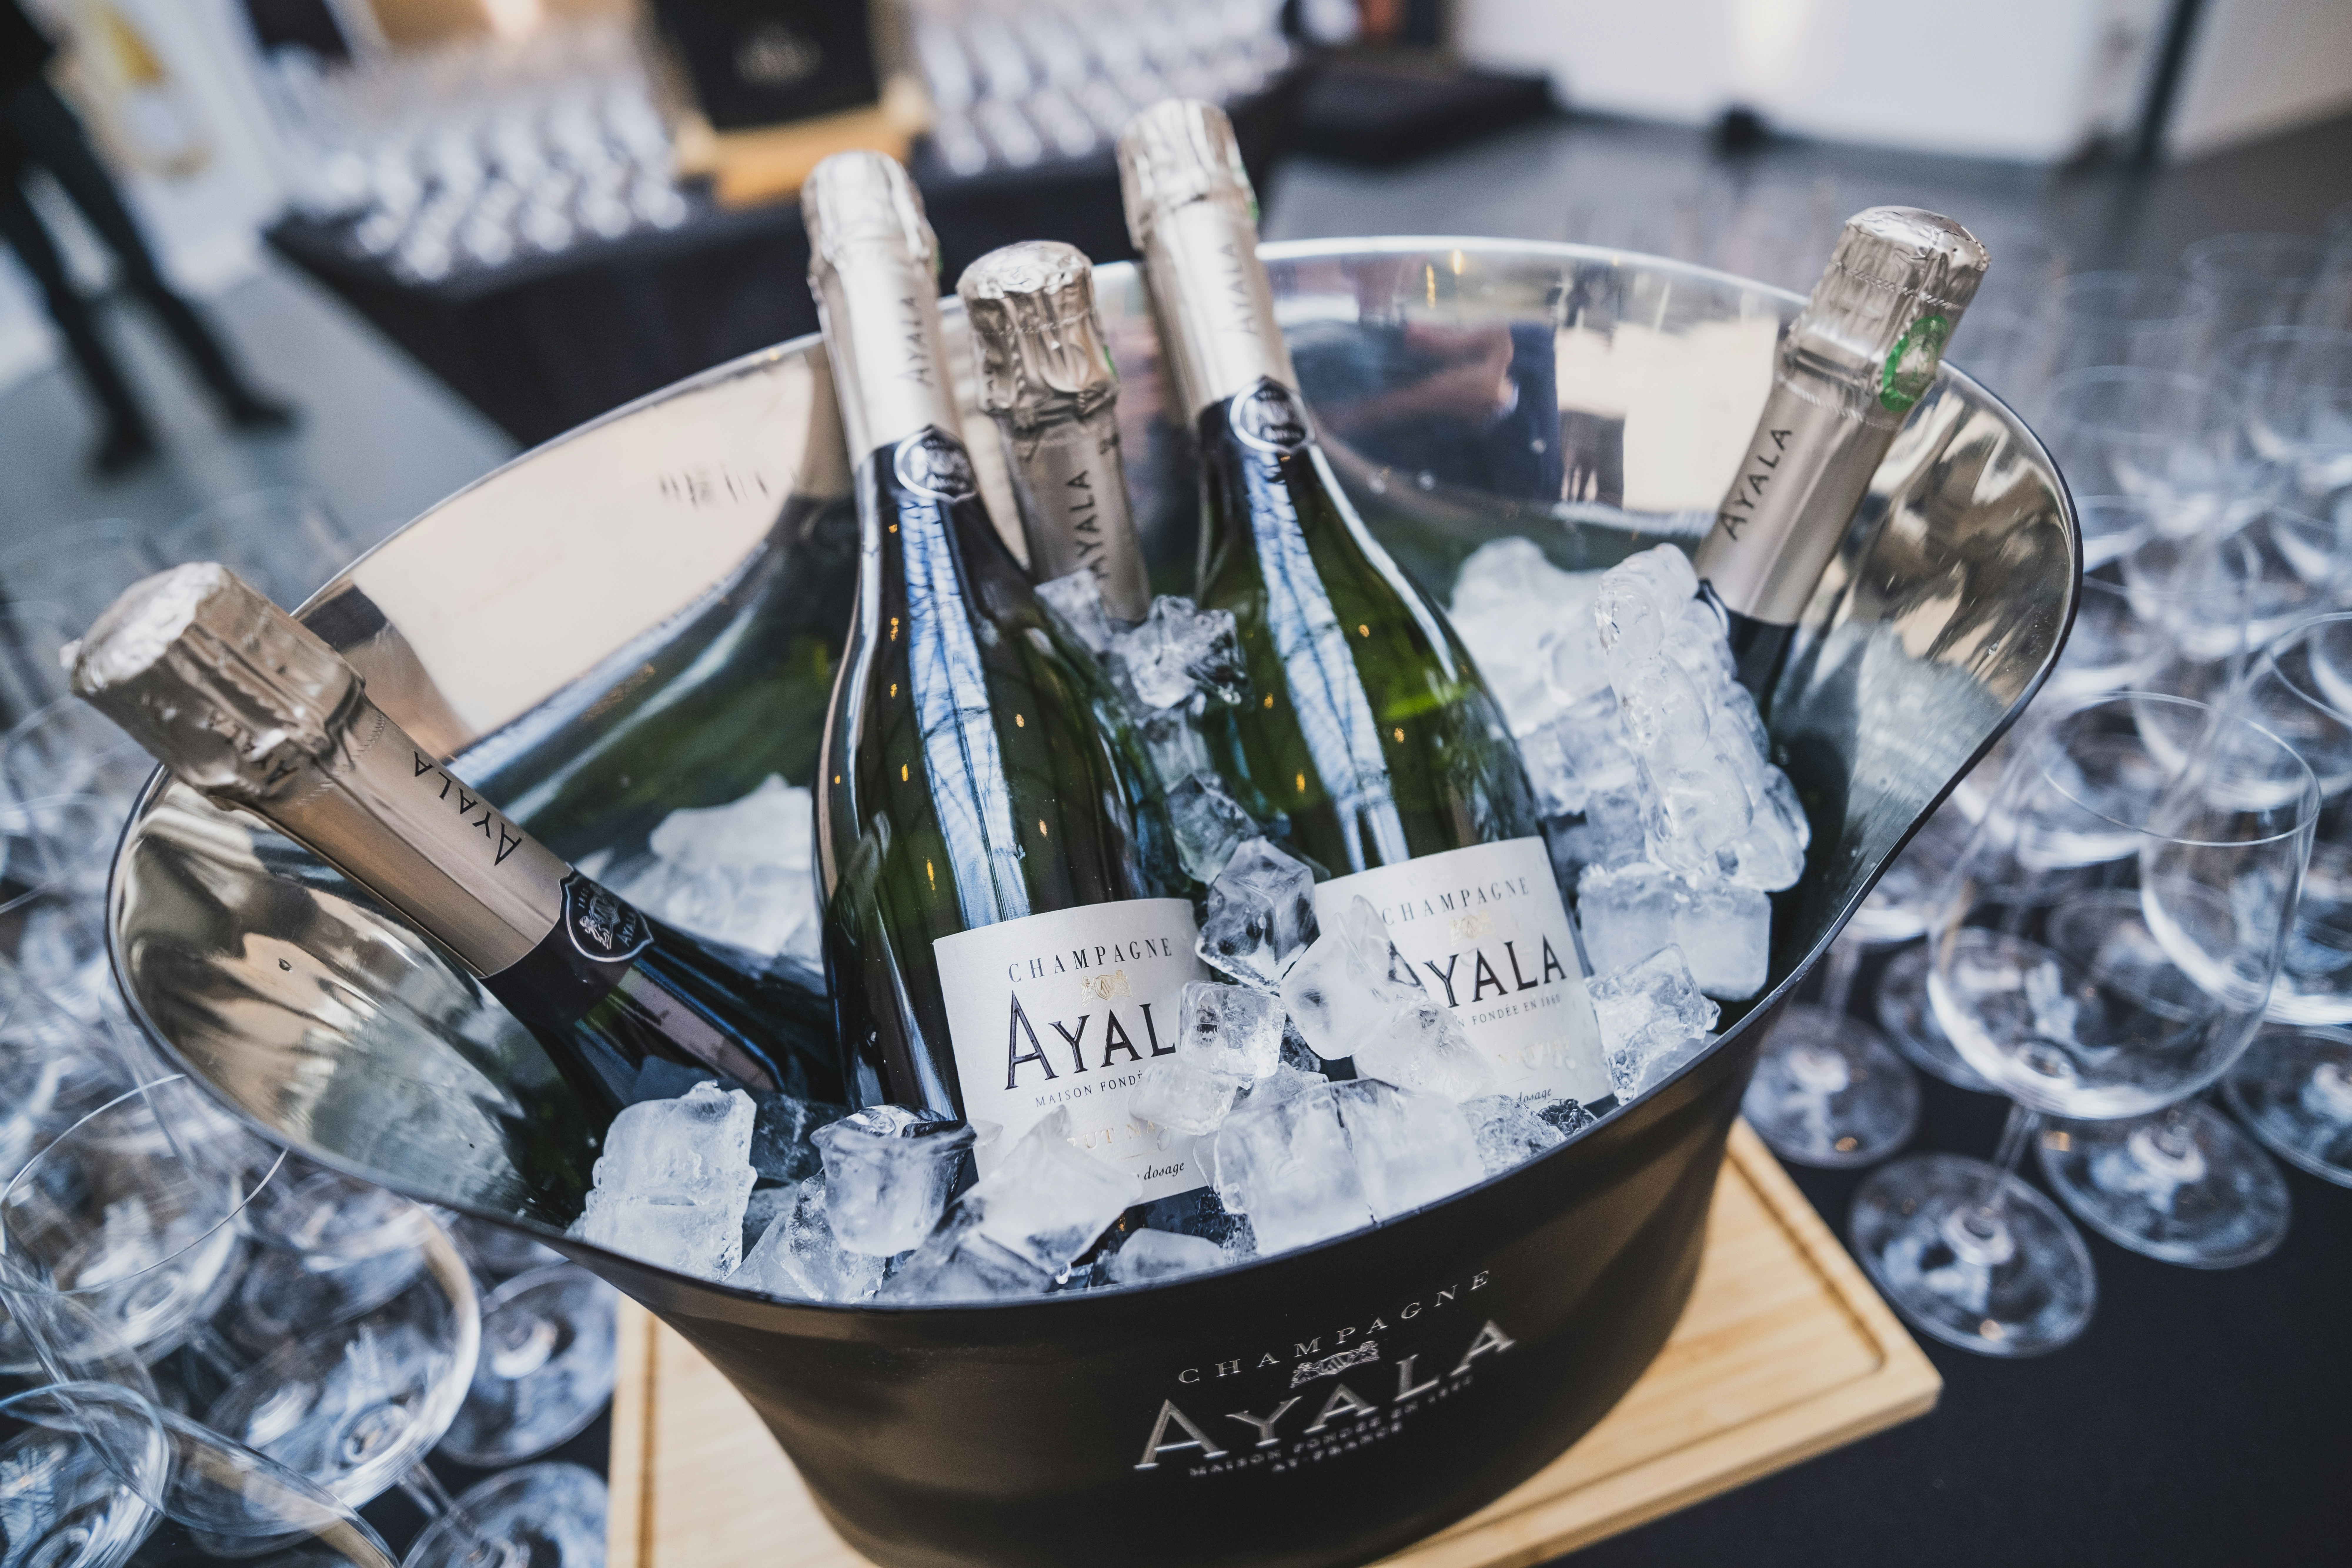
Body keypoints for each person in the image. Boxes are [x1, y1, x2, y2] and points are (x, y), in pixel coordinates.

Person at [0, 0, 293, 476]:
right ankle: (127, 424)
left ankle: (231, 391)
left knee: (136, 260)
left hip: (27, 87)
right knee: (52, 287)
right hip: (25, 91)